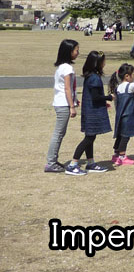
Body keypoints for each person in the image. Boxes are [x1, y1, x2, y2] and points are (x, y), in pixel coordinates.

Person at [67, 51, 112, 174]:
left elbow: (94, 96)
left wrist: (104, 102)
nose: (104, 63)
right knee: (89, 138)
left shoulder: (90, 76)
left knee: (91, 137)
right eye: (103, 61)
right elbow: (96, 97)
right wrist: (109, 97)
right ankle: (73, 164)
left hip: (90, 110)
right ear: (97, 63)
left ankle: (91, 163)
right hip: (92, 112)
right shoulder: (94, 78)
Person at [45, 39, 80, 174]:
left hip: (61, 102)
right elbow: (67, 88)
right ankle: (51, 162)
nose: (77, 53)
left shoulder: (61, 67)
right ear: (69, 52)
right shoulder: (67, 68)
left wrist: (75, 101)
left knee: (60, 133)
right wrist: (72, 106)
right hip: (63, 104)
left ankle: (53, 160)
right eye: (76, 50)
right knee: (58, 133)